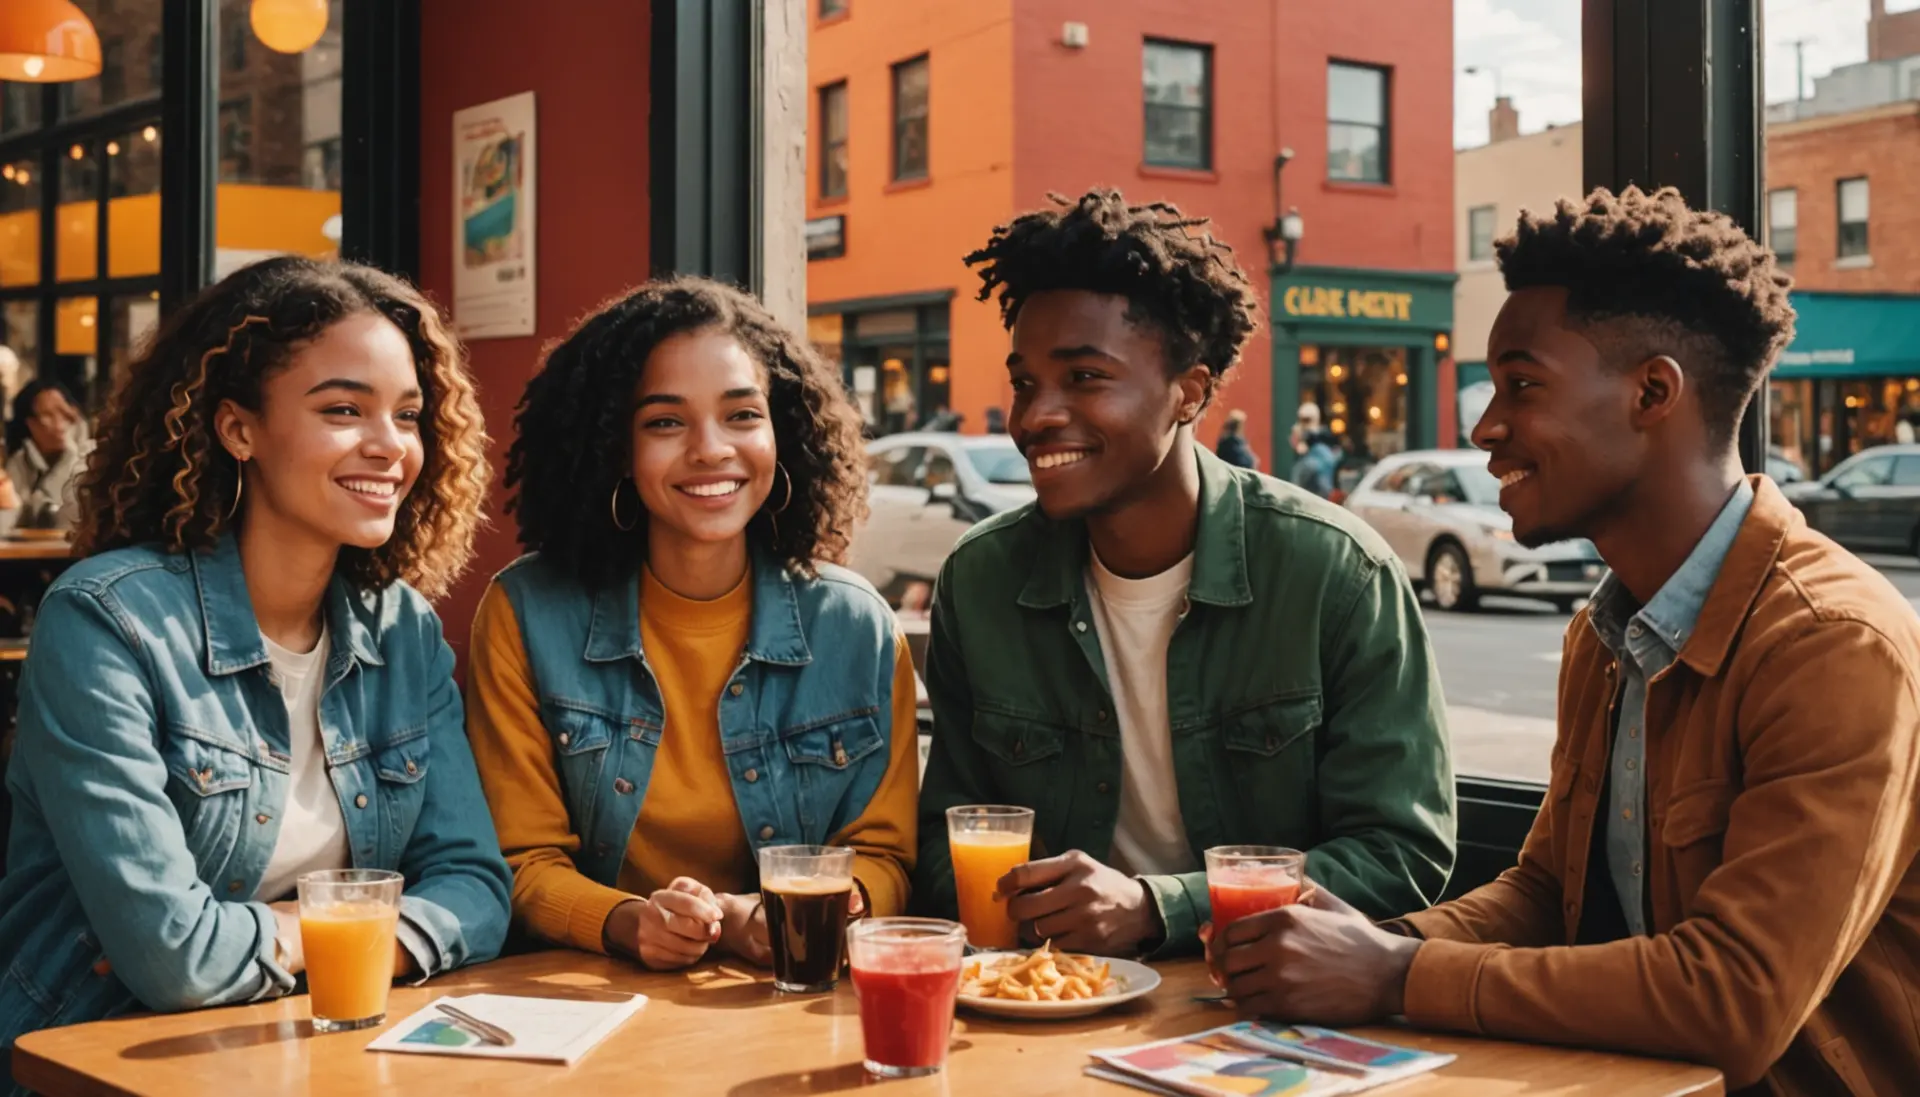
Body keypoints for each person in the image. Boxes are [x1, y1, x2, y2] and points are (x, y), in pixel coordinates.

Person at [1205, 187, 1919, 1096]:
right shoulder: (1607, 632)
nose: (1484, 428)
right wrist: (1378, 943)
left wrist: (1393, 975)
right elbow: (1546, 891)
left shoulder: (1834, 646)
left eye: (1522, 385)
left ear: (1653, 392)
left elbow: (1736, 1000)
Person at [0, 257, 512, 1086]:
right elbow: (175, 957)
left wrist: (288, 930)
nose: (390, 445)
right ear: (238, 429)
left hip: (326, 1052)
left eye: (409, 414)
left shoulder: (403, 630)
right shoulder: (105, 620)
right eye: (344, 409)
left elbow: (477, 890)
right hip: (104, 1056)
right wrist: (343, 930)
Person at [913, 190, 1455, 959]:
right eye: (1026, 382)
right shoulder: (982, 578)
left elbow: (1402, 852)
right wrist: (1013, 930)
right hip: (1043, 997)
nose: (1034, 417)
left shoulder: (1336, 570)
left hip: (1263, 1004)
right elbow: (948, 832)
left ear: (1189, 393)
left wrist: (1158, 906)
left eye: (1085, 378)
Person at [464, 276, 919, 972]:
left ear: (782, 431)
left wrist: (808, 910)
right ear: (616, 446)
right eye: (666, 422)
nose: (711, 449)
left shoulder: (856, 626)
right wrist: (627, 921)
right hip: (589, 1001)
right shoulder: (526, 615)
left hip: (791, 995)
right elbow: (519, 860)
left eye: (742, 415)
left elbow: (885, 855)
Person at [2, 379, 91, 532]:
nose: (59, 424)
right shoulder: (18, 462)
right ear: (31, 423)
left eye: (64, 414)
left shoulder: (85, 461)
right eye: (48, 415)